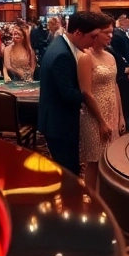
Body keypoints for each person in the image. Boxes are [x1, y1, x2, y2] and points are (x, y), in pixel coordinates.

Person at [38, 11, 103, 175]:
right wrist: (92, 94)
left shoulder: (62, 44)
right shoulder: (62, 54)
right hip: (59, 124)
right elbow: (68, 94)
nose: (95, 41)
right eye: (93, 36)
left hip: (57, 120)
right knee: (69, 173)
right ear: (78, 33)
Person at [78, 13, 124, 166]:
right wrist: (102, 122)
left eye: (112, 31)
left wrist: (121, 116)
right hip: (94, 116)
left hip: (112, 112)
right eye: (107, 32)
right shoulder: (85, 57)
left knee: (111, 161)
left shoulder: (110, 56)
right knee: (95, 162)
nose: (111, 35)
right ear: (96, 33)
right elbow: (86, 92)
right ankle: (91, 191)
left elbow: (114, 85)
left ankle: (103, 191)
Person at [110, 15, 129, 117]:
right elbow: (121, 54)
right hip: (120, 75)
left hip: (125, 70)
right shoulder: (118, 35)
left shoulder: (124, 34)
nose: (109, 36)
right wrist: (127, 67)